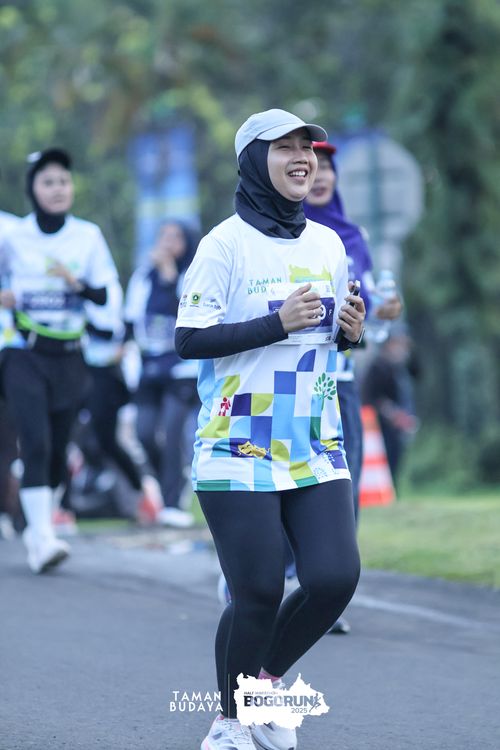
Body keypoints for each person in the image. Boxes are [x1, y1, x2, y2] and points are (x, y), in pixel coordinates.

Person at [175, 109, 365, 750]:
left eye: (307, 146)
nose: (302, 157)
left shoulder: (328, 244)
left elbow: (327, 338)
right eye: (284, 147)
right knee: (256, 591)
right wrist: (273, 323)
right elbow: (188, 340)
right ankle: (229, 723)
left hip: (315, 441)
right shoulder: (223, 245)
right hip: (237, 443)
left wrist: (350, 332)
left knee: (334, 579)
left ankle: (264, 689)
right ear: (255, 161)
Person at [0, 148, 118, 573]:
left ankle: (39, 530)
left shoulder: (87, 237)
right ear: (32, 189)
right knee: (35, 441)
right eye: (47, 181)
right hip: (23, 350)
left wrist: (77, 284)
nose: (57, 189)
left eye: (63, 181)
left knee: (56, 449)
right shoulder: (12, 236)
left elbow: (105, 295)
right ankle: (43, 538)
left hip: (69, 354)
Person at [304, 140, 402, 633]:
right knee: (290, 483)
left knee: (343, 485)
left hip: (340, 381)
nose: (321, 175)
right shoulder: (284, 234)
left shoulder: (354, 237)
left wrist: (383, 314)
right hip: (292, 383)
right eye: (312, 166)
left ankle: (326, 597)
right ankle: (262, 582)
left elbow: (366, 321)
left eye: (328, 167)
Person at [124, 220, 200, 528]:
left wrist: (170, 277)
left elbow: (190, 312)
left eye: (175, 237)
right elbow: (130, 319)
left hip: (182, 368)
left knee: (171, 432)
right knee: (143, 433)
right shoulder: (143, 277)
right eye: (163, 236)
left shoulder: (192, 275)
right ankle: (169, 479)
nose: (168, 242)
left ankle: (172, 501)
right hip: (149, 366)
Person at [362, 330, 419, 487]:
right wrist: (392, 414)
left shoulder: (400, 367)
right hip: (382, 424)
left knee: (396, 459)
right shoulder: (378, 366)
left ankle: (393, 488)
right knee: (386, 460)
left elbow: (418, 372)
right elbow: (372, 396)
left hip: (399, 423)